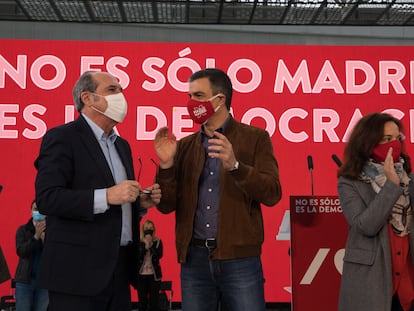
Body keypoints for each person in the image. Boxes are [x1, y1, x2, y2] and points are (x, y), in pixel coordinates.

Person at [154, 68, 282, 310]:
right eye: (190, 96)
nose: (192, 103)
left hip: (240, 259)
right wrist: (166, 165)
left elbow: (272, 193)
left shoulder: (255, 138)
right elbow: (166, 205)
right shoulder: (184, 146)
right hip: (194, 260)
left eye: (199, 95)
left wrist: (235, 166)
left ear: (220, 99)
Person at [34, 71, 161, 311]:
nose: (120, 96)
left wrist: (138, 205)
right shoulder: (63, 137)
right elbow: (47, 198)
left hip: (120, 270)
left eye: (121, 90)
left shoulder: (122, 145)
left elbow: (119, 203)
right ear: (87, 98)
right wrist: (107, 196)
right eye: (112, 90)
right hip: (76, 273)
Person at [337, 112, 414, 311]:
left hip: (407, 280)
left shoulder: (409, 180)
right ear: (368, 143)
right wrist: (391, 185)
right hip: (372, 282)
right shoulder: (349, 182)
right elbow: (366, 226)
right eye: (387, 139)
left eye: (398, 139)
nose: (394, 145)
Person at [14, 200, 48, 311]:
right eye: (35, 209)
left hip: (44, 283)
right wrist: (35, 237)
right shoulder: (23, 230)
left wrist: (45, 241)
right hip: (25, 281)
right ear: (31, 211)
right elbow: (21, 252)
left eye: (41, 209)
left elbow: (55, 257)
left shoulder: (52, 231)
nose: (38, 212)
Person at [136, 219, 163, 311]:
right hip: (141, 276)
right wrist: (145, 246)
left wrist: (151, 245)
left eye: (151, 228)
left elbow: (159, 255)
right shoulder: (138, 242)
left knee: (154, 303)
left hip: (154, 276)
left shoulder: (158, 241)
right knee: (142, 302)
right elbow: (137, 256)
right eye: (146, 228)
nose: (148, 230)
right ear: (143, 229)